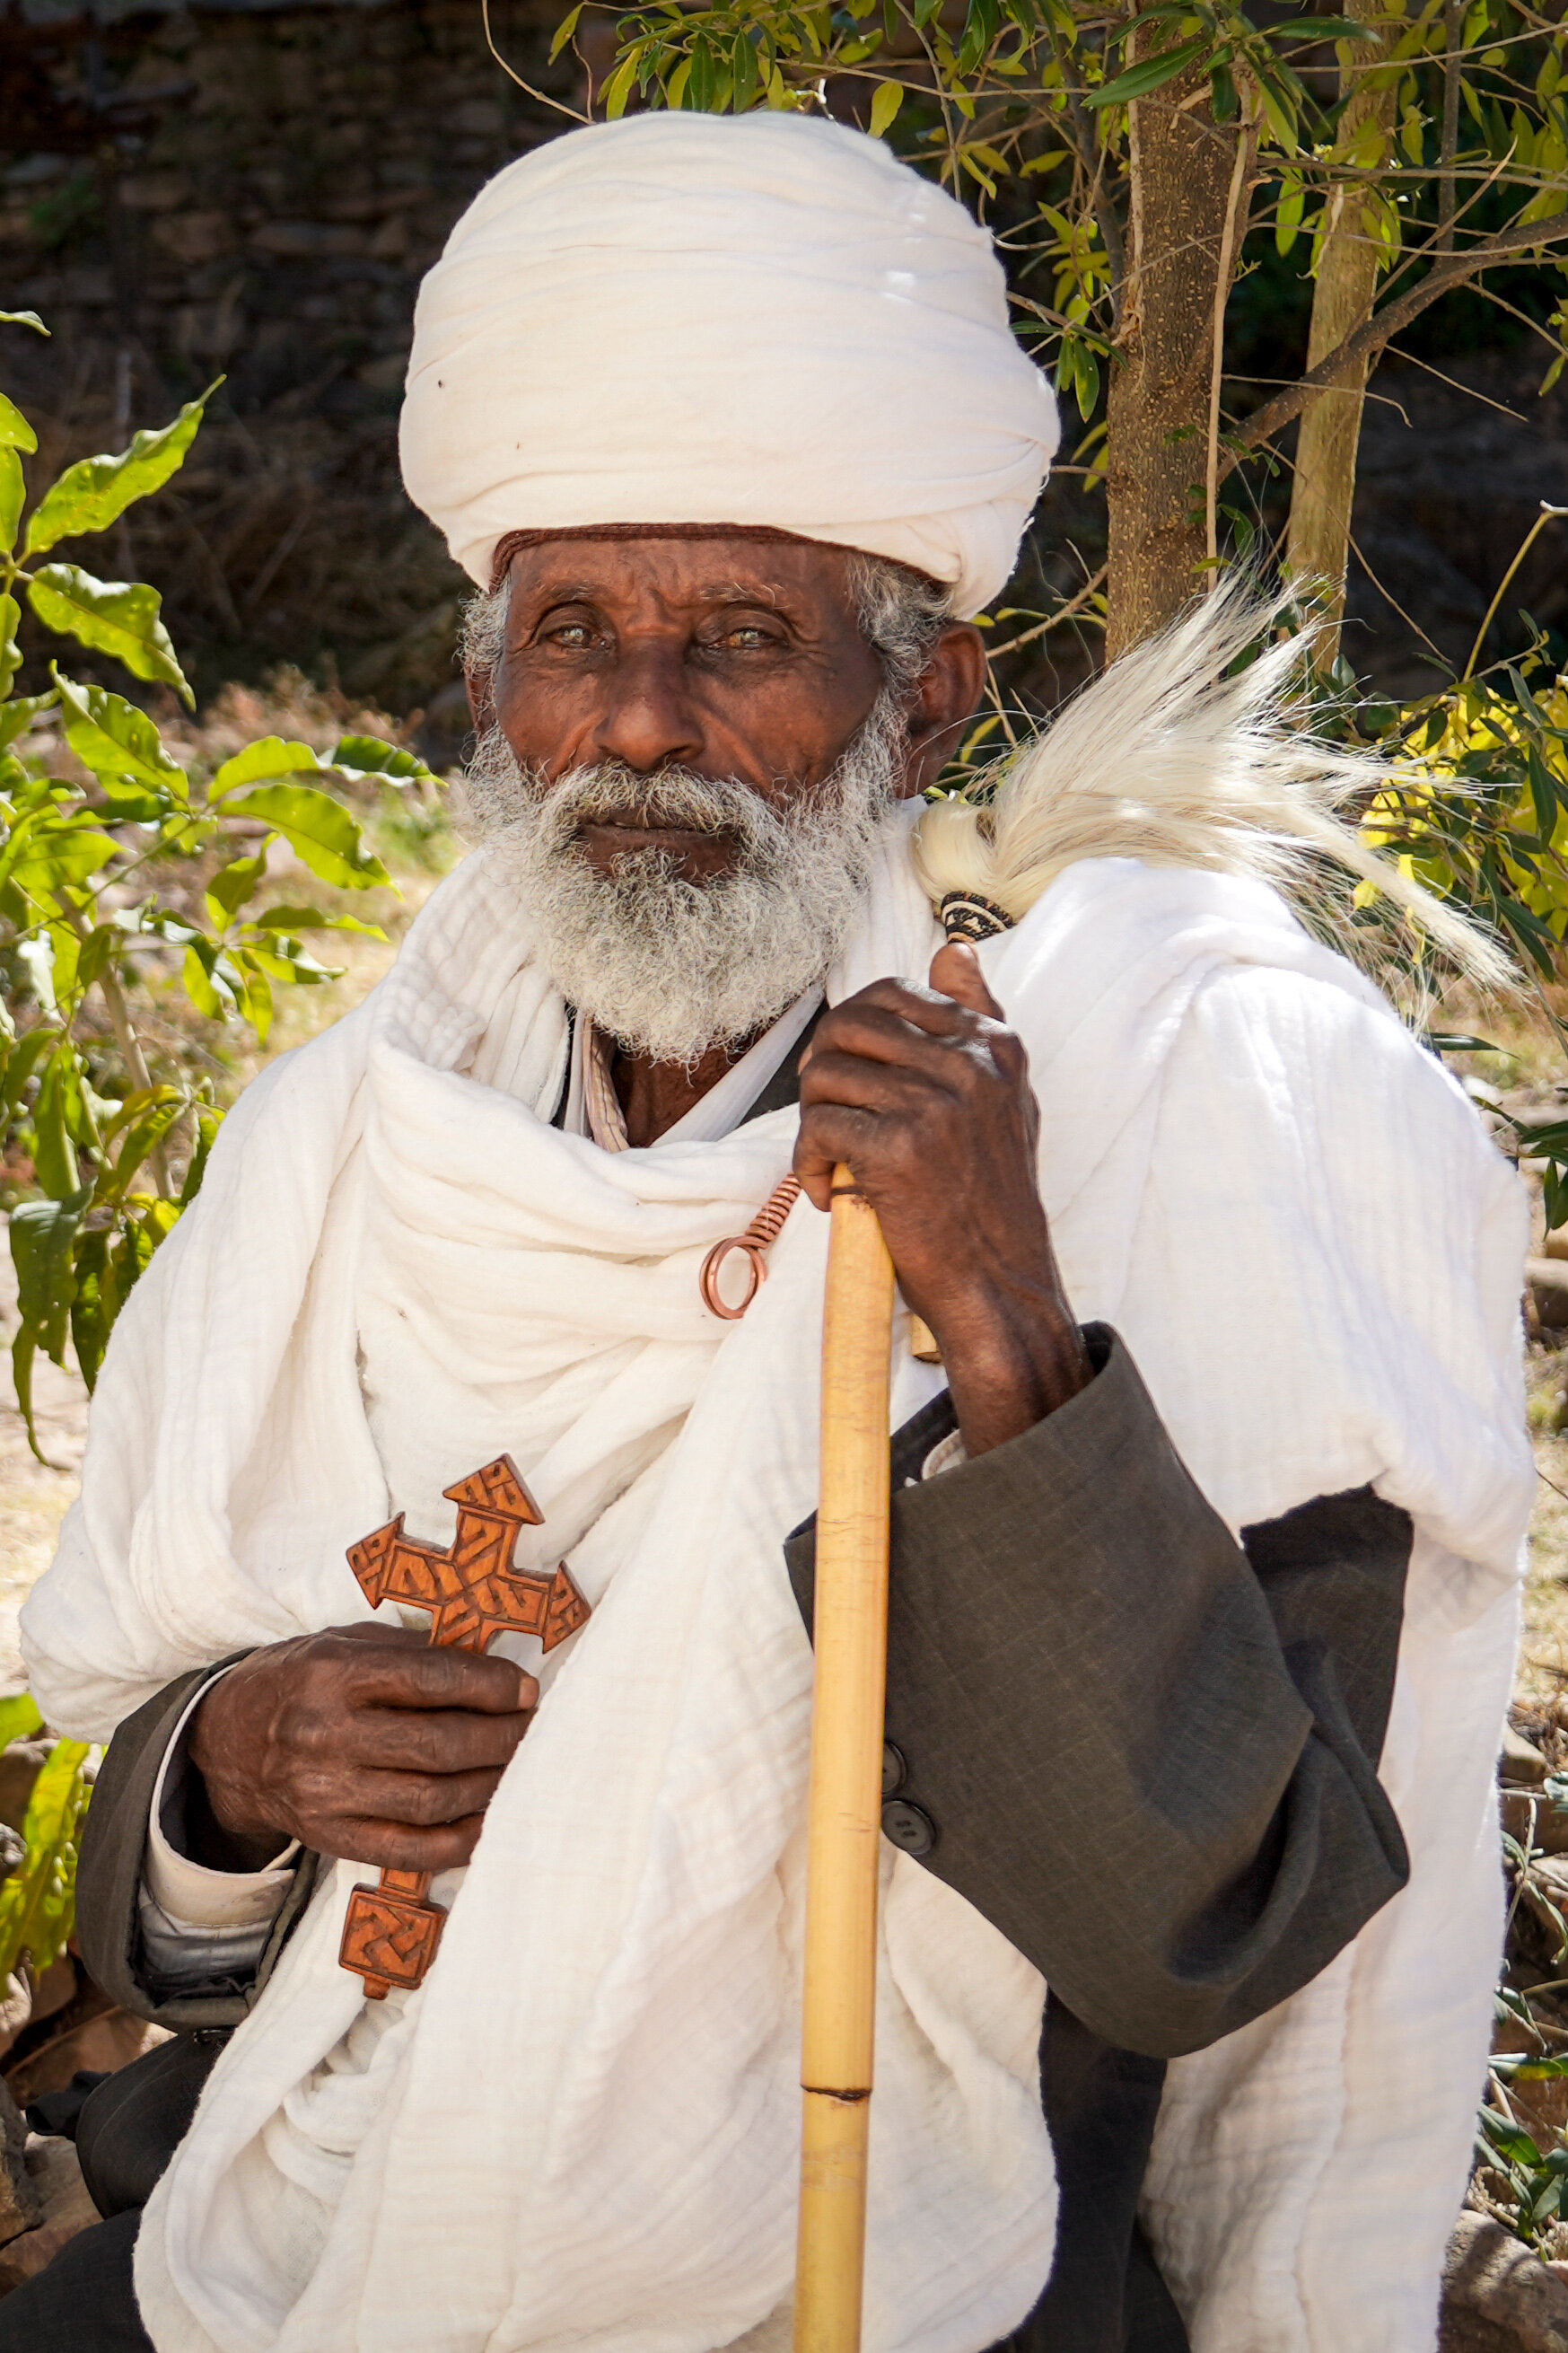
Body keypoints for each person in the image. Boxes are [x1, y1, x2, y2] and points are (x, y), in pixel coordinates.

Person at [11, 109, 1532, 2353]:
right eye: (572, 635)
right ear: (479, 688)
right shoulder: (344, 1138)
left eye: (741, 636)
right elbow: (156, 1913)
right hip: (290, 2240)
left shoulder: (1167, 1092)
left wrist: (1000, 1321)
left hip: (872, 2273)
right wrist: (233, 1768)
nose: (637, 723)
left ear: (922, 694)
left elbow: (1198, 1932)